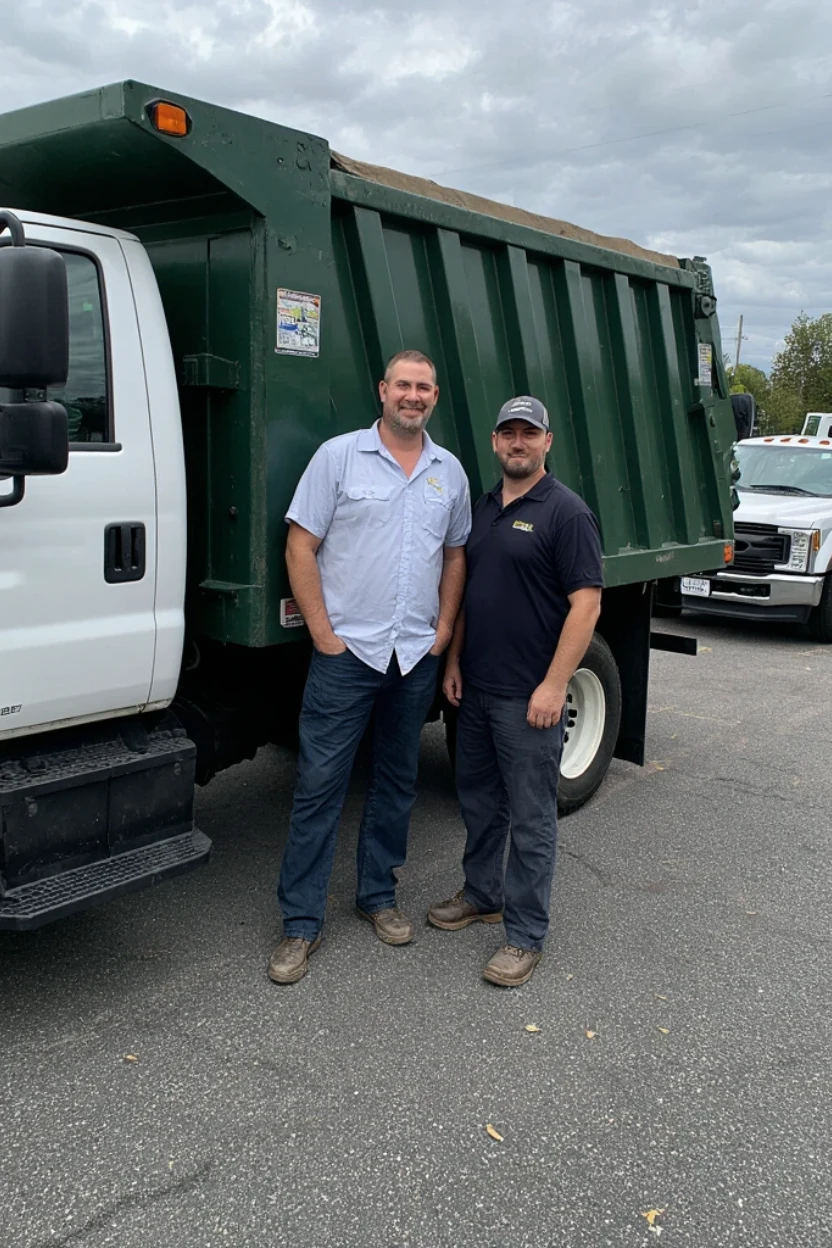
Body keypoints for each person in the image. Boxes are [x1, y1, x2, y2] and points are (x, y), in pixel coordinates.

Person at [269, 349, 471, 984]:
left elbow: (456, 555)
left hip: (413, 656)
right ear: (383, 390)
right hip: (347, 656)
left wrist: (443, 630)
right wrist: (324, 636)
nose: (413, 396)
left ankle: (378, 896)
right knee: (319, 786)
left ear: (434, 397)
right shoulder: (338, 458)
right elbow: (300, 545)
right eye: (403, 385)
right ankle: (300, 923)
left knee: (396, 782)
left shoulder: (449, 472)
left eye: (424, 388)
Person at [428, 396, 603, 988]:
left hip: (529, 697)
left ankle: (525, 935)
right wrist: (454, 661)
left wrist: (555, 685)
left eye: (530, 433)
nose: (518, 443)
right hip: (476, 688)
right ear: (495, 442)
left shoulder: (567, 513)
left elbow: (586, 606)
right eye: (509, 433)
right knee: (479, 802)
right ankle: (483, 894)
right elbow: (469, 592)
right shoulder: (483, 508)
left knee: (531, 819)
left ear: (547, 442)